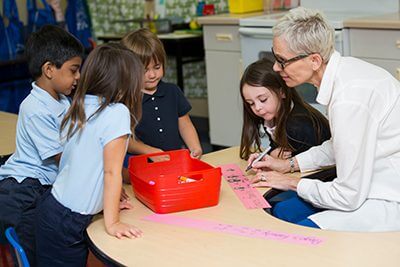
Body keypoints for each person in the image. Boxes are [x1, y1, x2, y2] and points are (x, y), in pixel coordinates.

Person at [249, 7, 400, 232]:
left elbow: (348, 196)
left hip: (386, 197)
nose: (275, 67)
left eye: (282, 60)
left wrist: (292, 182)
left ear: (314, 60)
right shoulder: (345, 73)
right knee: (283, 211)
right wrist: (289, 165)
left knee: (297, 234)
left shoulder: (349, 99)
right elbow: (341, 143)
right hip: (365, 186)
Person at [35, 43, 144, 266]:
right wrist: (112, 222)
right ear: (125, 86)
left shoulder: (80, 103)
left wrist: (106, 201)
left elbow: (84, 162)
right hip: (68, 220)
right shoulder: (117, 113)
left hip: (53, 209)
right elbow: (112, 172)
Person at [0, 25, 84, 264]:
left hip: (44, 183)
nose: (78, 76)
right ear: (49, 69)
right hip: (23, 189)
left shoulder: (63, 101)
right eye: (73, 70)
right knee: (34, 250)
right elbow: (64, 158)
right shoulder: (35, 107)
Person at [121, 28, 202, 173]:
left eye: (157, 67)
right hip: (145, 166)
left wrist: (195, 147)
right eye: (144, 70)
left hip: (175, 162)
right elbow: (126, 141)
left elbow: (185, 125)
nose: (152, 75)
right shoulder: (127, 100)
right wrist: (150, 151)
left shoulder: (173, 91)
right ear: (128, 70)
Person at [239, 58, 330, 161]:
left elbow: (306, 163)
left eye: (263, 100)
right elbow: (276, 146)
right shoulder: (270, 116)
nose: (257, 108)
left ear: (282, 92)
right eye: (251, 103)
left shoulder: (298, 124)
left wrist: (273, 157)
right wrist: (269, 154)